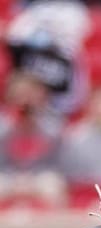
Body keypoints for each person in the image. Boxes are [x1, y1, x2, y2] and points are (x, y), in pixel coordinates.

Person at [0, 70, 67, 207]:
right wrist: (14, 122)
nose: (24, 98)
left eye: (29, 92)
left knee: (53, 186)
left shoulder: (53, 120)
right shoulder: (4, 120)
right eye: (19, 93)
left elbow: (56, 157)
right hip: (8, 175)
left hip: (40, 174)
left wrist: (35, 122)